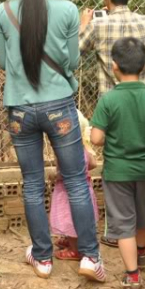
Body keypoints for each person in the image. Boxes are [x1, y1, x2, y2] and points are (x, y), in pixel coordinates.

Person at [0, 0, 104, 282]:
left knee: (31, 184)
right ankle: (90, 256)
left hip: (19, 109)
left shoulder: (3, 11)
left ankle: (42, 258)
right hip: (60, 108)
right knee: (74, 181)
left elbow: (2, 62)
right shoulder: (68, 9)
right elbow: (71, 62)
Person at [90, 37, 145, 289]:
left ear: (114, 66)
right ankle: (142, 252)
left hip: (118, 170)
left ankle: (132, 275)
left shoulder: (108, 100)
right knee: (142, 210)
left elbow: (96, 138)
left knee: (123, 222)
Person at [79, 0, 145, 96]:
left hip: (110, 102)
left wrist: (83, 25)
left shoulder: (97, 25)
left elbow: (73, 53)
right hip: (143, 99)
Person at [49, 111, 100, 261]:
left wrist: (54, 176)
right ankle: (72, 241)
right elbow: (93, 163)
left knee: (68, 219)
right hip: (86, 187)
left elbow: (65, 172)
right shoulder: (83, 146)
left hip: (66, 191)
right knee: (77, 218)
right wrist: (83, 171)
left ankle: (74, 249)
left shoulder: (62, 151)